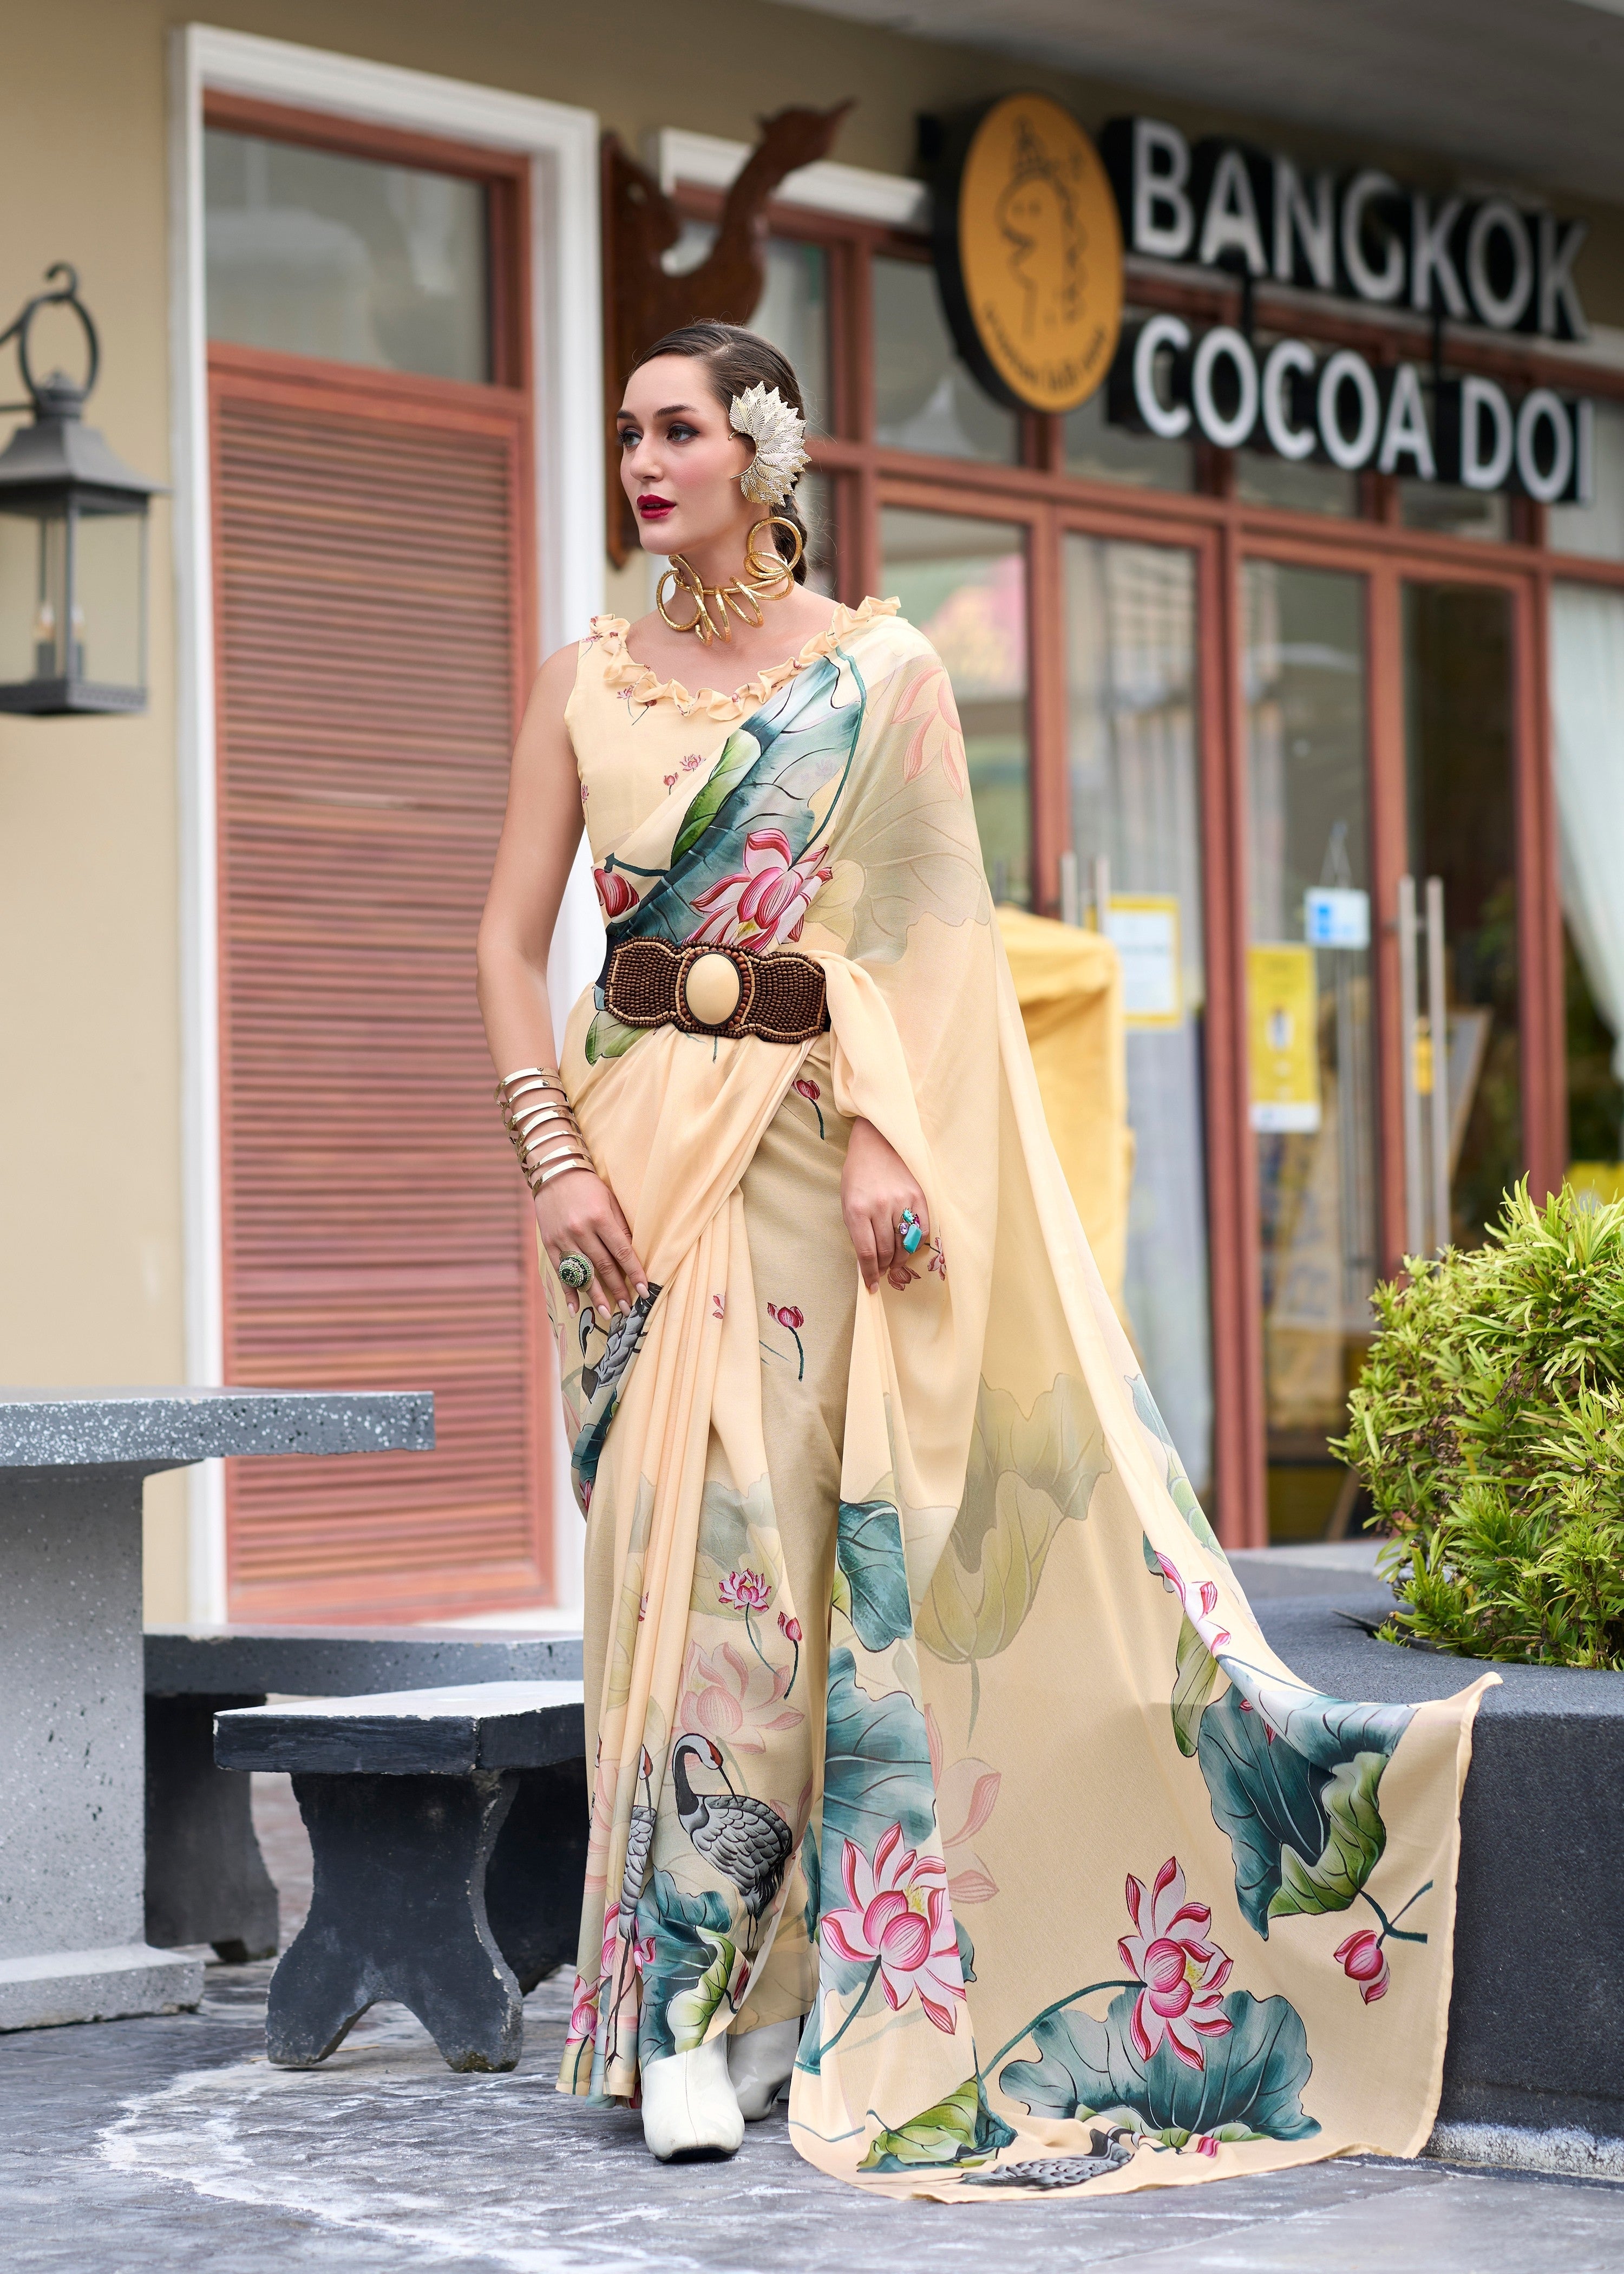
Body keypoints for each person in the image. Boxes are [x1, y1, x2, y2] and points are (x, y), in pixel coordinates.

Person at [476, 322, 1487, 2197]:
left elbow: (935, 934)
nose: (642, 459)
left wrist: (881, 1134)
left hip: (795, 1159)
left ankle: (694, 2021)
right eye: (626, 432)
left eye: (677, 428)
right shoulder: (580, 685)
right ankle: (729, 1995)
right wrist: (548, 1158)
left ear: (763, 455)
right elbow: (497, 936)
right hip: (624, 1165)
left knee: (769, 1586)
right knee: (655, 1578)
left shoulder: (883, 676)